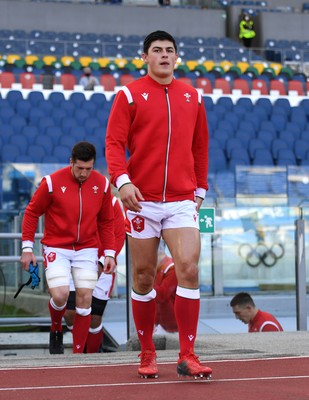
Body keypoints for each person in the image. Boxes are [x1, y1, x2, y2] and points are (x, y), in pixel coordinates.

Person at [105, 30, 212, 379]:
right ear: (145, 57)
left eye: (169, 50)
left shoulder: (192, 96)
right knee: (143, 276)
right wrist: (122, 182)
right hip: (142, 202)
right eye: (157, 50)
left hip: (181, 200)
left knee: (189, 269)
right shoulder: (129, 95)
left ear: (176, 58)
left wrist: (200, 188)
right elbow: (114, 143)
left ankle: (188, 354)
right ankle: (147, 353)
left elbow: (200, 147)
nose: (164, 55)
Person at [20, 141, 116, 355]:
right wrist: (27, 248)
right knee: (61, 295)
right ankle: (56, 326)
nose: (84, 173)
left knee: (85, 298)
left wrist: (109, 253)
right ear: (71, 162)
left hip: (87, 249)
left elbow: (107, 221)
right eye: (79, 168)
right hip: (57, 246)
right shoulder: (51, 183)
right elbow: (32, 212)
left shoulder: (102, 185)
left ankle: (77, 356)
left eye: (88, 169)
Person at [64, 195, 125, 353]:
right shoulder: (71, 198)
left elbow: (118, 235)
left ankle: (91, 355)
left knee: (94, 318)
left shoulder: (112, 203)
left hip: (103, 266)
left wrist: (103, 260)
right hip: (75, 261)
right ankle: (80, 349)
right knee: (70, 313)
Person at [154, 242, 178, 334]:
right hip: (160, 322)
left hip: (170, 325)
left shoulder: (171, 268)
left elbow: (162, 294)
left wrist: (145, 285)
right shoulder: (157, 268)